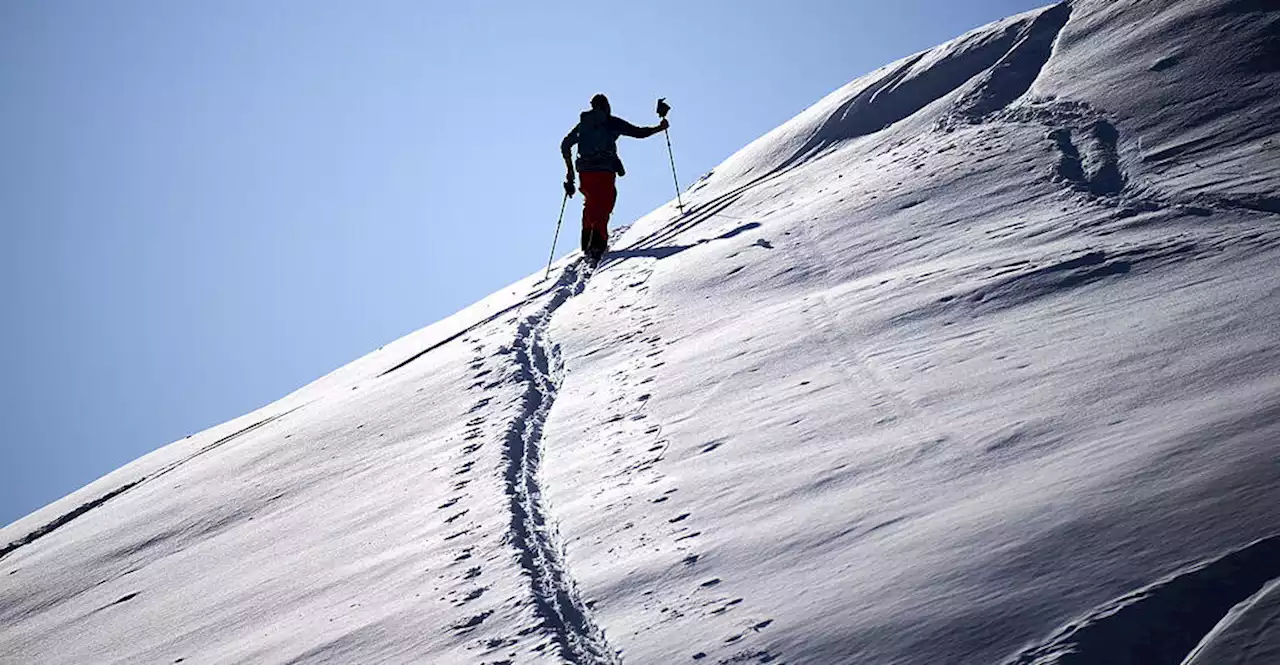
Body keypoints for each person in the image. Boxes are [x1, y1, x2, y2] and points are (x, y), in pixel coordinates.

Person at [561, 94, 669, 262]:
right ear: (606, 106)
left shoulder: (583, 125)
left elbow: (565, 144)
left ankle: (587, 242)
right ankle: (597, 245)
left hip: (585, 171)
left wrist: (570, 172)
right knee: (604, 203)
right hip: (604, 169)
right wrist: (659, 128)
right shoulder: (611, 122)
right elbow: (638, 133)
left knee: (591, 203)